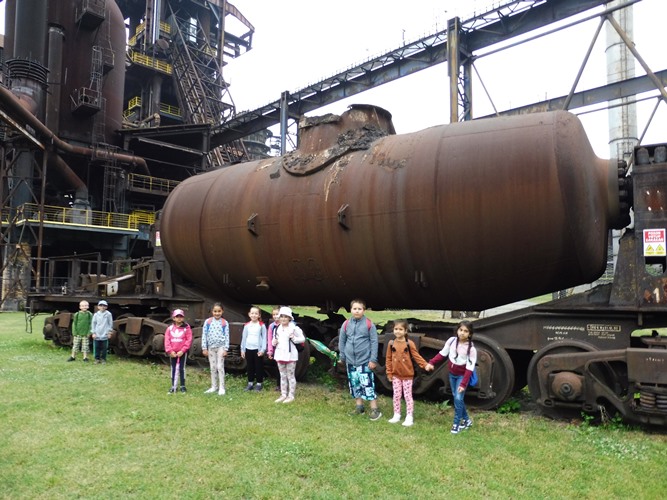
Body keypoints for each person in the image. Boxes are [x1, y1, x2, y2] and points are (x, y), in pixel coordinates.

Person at [424, 320, 477, 434]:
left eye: (466, 331)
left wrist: (463, 384)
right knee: (457, 398)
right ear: (457, 330)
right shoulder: (451, 341)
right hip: (452, 375)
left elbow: (470, 368)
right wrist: (431, 362)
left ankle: (456, 424)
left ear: (470, 334)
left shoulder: (471, 350)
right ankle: (467, 420)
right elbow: (442, 353)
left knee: (458, 398)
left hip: (462, 376)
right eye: (461, 330)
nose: (462, 333)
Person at [338, 298, 382, 421]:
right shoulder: (346, 324)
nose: (357, 311)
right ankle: (359, 407)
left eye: (359, 309)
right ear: (351, 310)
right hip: (350, 361)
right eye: (354, 309)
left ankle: (375, 409)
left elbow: (374, 342)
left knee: (367, 385)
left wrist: (373, 360)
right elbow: (342, 341)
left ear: (364, 310)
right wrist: (342, 356)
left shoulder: (369, 324)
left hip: (364, 361)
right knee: (355, 384)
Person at [385, 319, 428, 427]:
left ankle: (409, 416)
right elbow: (388, 359)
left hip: (408, 375)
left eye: (400, 329)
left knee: (408, 396)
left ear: (405, 331)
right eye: (396, 329)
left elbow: (416, 356)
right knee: (396, 395)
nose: (398, 331)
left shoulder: (409, 343)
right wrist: (389, 372)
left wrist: (425, 365)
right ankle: (397, 414)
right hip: (395, 375)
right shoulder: (391, 343)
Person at [271, 306, 306, 404]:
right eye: (281, 316)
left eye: (285, 317)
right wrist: (274, 342)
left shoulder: (294, 328)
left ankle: (291, 395)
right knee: (282, 375)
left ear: (289, 318)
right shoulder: (277, 328)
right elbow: (274, 339)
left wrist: (294, 338)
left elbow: (302, 339)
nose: (283, 319)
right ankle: (283, 394)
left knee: (290, 376)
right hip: (280, 355)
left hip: (290, 356)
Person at [201, 303, 229, 396]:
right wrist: (204, 347)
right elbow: (204, 334)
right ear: (212, 311)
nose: (217, 313)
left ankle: (222, 387)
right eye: (215, 311)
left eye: (219, 311)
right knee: (213, 367)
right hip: (211, 348)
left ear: (222, 311)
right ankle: (214, 386)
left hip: (221, 347)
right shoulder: (208, 322)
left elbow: (227, 336)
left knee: (220, 367)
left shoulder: (224, 323)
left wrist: (226, 349)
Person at [165, 309, 193, 394]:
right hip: (173, 352)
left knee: (182, 368)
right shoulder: (170, 329)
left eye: (181, 316)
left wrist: (183, 350)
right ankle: (173, 385)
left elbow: (189, 340)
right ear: (173, 318)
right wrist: (170, 351)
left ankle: (182, 386)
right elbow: (167, 340)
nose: (179, 318)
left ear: (183, 318)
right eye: (177, 316)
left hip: (182, 352)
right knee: (173, 368)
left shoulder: (186, 328)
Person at [240, 305, 267, 391]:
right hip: (248, 349)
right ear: (249, 314)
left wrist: (262, 350)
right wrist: (242, 349)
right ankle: (250, 383)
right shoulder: (247, 325)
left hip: (257, 350)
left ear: (259, 315)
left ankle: (259, 383)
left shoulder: (261, 325)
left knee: (258, 366)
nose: (254, 315)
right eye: (252, 313)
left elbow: (264, 338)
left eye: (256, 313)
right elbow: (244, 338)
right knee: (250, 366)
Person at [91, 300, 113, 364]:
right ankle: (97, 359)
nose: (102, 307)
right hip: (97, 333)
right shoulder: (96, 314)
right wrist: (93, 332)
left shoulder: (108, 314)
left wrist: (109, 332)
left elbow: (110, 323)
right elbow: (93, 323)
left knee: (104, 348)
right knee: (96, 347)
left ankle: (103, 359)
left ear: (106, 307)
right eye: (101, 305)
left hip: (105, 333)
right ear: (98, 307)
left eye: (104, 305)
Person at [266, 306, 282, 392]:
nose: (276, 316)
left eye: (277, 314)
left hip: (284, 349)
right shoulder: (272, 326)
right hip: (276, 349)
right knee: (278, 367)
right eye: (274, 314)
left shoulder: (284, 325)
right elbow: (269, 339)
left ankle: (285, 384)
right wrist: (270, 351)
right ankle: (278, 385)